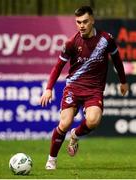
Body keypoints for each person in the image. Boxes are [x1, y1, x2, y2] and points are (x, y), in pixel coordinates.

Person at [40, 5, 129, 170]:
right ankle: (51, 159)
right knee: (65, 123)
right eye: (78, 22)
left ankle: (75, 135)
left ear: (92, 20)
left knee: (94, 121)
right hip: (73, 87)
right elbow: (58, 67)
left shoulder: (106, 40)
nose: (81, 25)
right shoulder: (71, 42)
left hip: (94, 89)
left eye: (85, 21)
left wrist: (123, 81)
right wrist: (48, 88)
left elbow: (117, 59)